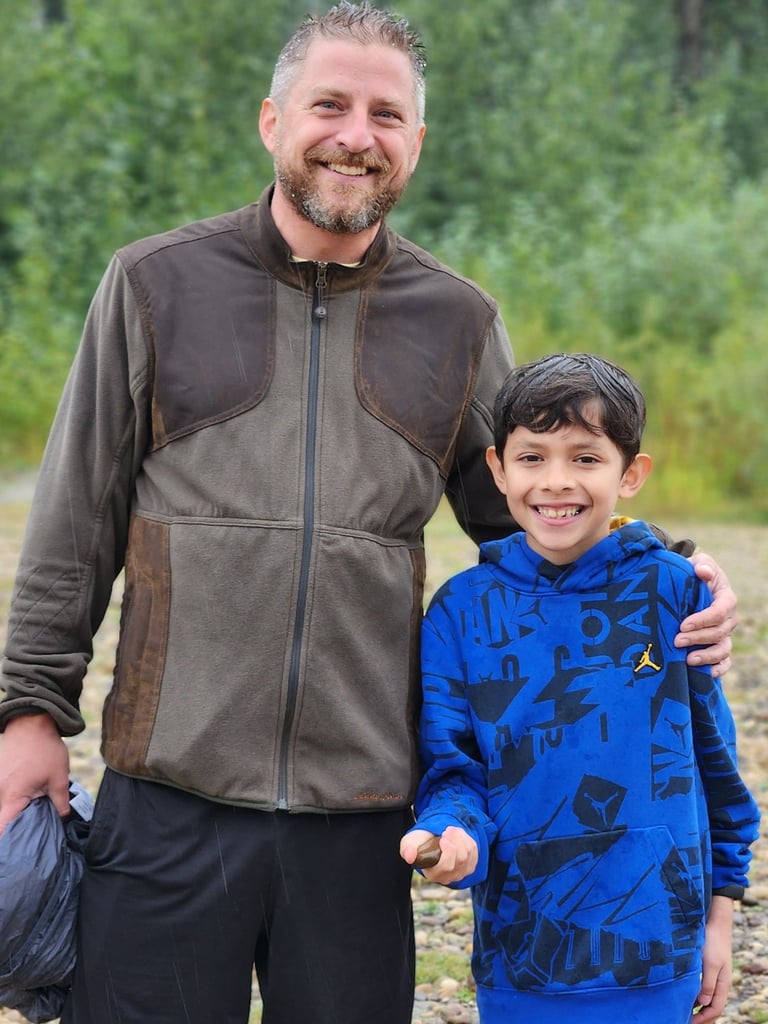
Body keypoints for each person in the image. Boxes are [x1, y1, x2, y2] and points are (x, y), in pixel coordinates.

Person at [0, 4, 739, 1022]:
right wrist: (29, 714)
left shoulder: (458, 320)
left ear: (416, 142)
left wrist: (675, 577)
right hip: (167, 798)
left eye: (386, 115)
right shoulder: (153, 284)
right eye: (330, 105)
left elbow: (537, 522)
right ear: (273, 120)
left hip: (361, 820)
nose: (357, 135)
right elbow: (72, 527)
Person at [400, 353, 760, 1024]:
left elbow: (717, 766)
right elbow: (454, 772)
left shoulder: (675, 591)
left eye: (586, 458)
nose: (557, 480)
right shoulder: (459, 611)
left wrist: (721, 914)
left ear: (631, 474)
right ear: (498, 469)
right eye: (532, 458)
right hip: (521, 959)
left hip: (662, 955)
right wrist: (450, 835)